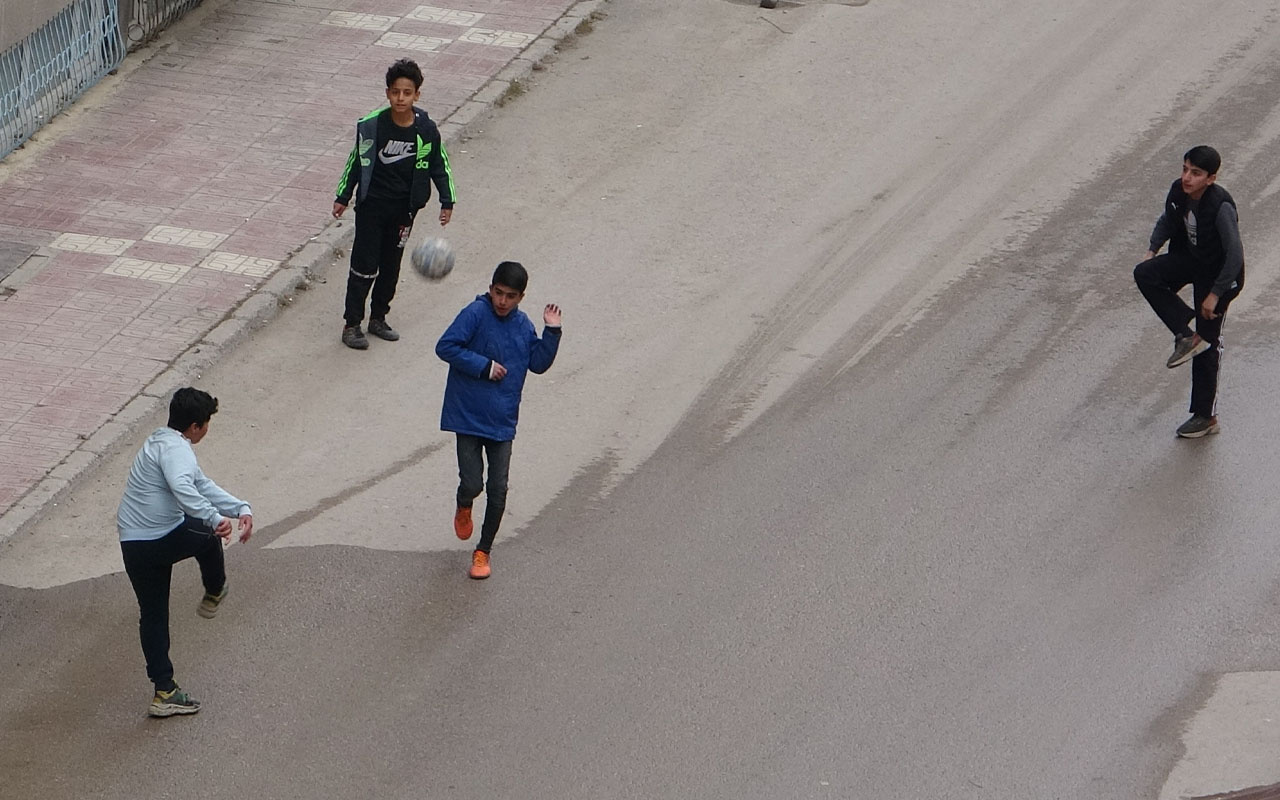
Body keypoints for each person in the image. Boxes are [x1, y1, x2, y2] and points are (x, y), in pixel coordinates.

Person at [117, 388, 254, 717]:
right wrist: (216, 518)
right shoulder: (178, 451)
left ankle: (164, 691)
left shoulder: (159, 441)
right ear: (195, 426)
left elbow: (200, 484)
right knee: (207, 534)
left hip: (133, 544)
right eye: (206, 423)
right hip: (160, 537)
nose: (207, 429)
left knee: (153, 615)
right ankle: (215, 587)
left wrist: (238, 508)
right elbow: (183, 485)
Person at [435, 261, 562, 579]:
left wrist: (552, 331)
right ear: (490, 289)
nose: (503, 301)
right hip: (467, 416)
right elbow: (446, 346)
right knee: (474, 482)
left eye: (511, 296)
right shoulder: (475, 314)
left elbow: (537, 363)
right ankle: (464, 502)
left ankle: (483, 552)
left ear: (521, 297)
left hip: (503, 420)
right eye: (498, 293)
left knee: (499, 488)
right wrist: (484, 366)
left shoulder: (522, 326)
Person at [334, 58, 457, 350]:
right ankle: (352, 323)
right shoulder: (372, 127)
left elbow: (440, 165)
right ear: (388, 93)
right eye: (395, 92)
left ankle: (378, 318)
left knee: (391, 266)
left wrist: (446, 200)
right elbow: (355, 163)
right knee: (364, 266)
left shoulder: (425, 131)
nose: (400, 98)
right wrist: (343, 196)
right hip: (372, 209)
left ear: (417, 95)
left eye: (407, 92)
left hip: (404, 211)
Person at [1134, 145, 1244, 438]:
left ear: (1210, 178)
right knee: (1145, 273)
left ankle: (1205, 417)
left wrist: (1214, 295)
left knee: (1208, 341)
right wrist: (1152, 250)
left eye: (1195, 173)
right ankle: (1186, 334)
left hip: (1218, 274)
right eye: (1185, 169)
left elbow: (1234, 256)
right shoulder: (1178, 192)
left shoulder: (1220, 206)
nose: (1187, 178)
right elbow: (1166, 221)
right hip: (1191, 259)